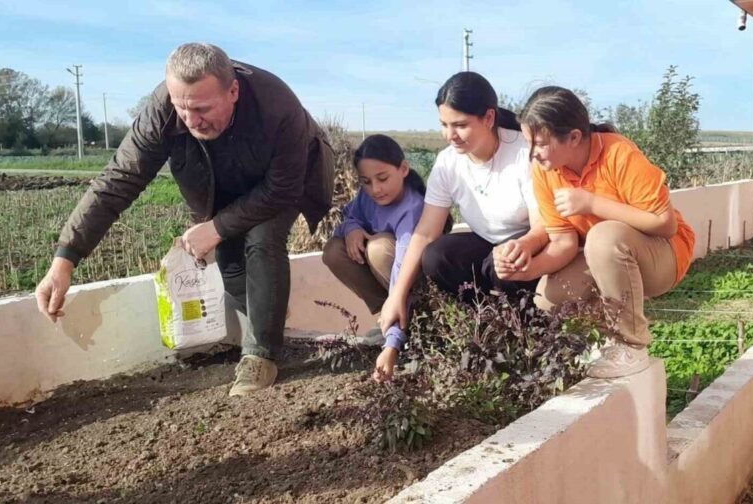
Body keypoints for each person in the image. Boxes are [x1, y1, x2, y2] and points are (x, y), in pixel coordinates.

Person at [34, 42, 335, 397]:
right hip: (224, 180)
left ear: (233, 91)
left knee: (262, 238)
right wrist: (65, 259)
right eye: (182, 109)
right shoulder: (161, 111)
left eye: (202, 109)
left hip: (287, 180)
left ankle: (261, 357)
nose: (191, 121)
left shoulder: (276, 104)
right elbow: (118, 181)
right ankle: (270, 327)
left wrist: (216, 227)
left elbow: (281, 189)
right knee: (230, 262)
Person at [505, 85, 695, 379]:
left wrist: (592, 203)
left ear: (574, 137)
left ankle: (631, 345)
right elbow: (563, 242)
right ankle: (603, 341)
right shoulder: (546, 171)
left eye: (540, 144)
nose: (533, 154)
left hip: (663, 254)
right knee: (548, 296)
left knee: (603, 237)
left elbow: (664, 223)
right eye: (529, 143)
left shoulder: (619, 153)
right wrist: (528, 269)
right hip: (607, 258)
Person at [376, 72, 546, 381]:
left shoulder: (524, 152)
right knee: (436, 255)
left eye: (460, 125)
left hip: (529, 247)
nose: (450, 135)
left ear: (489, 118)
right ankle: (485, 326)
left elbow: (543, 226)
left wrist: (521, 246)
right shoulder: (448, 162)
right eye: (444, 124)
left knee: (502, 265)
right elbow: (425, 231)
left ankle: (526, 336)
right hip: (486, 244)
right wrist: (397, 295)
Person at [322, 134, 447, 381]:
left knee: (378, 249)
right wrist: (352, 229)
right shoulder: (367, 197)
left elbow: (402, 269)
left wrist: (391, 348)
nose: (375, 189)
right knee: (334, 251)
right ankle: (387, 318)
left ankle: (410, 328)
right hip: (391, 285)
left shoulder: (412, 209)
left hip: (416, 284)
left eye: (382, 178)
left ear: (403, 169)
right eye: (366, 182)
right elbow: (351, 216)